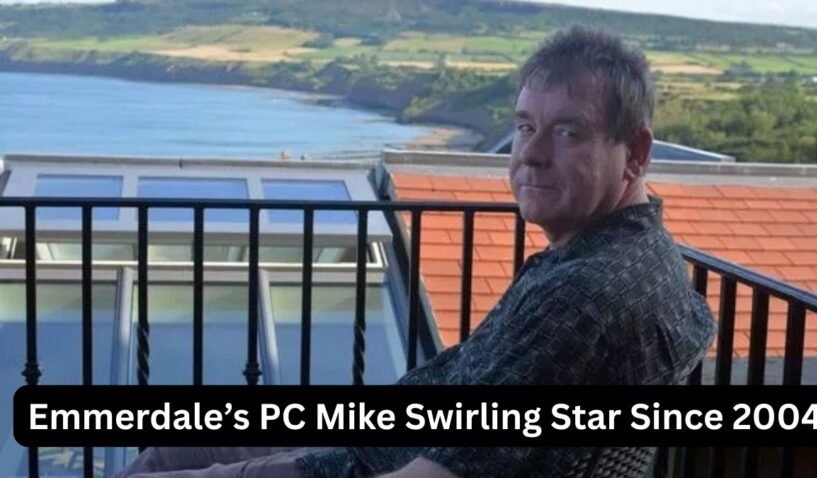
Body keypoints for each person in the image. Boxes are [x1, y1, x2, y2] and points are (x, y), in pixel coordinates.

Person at [115, 26, 716, 478]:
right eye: (525, 127)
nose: (531, 155)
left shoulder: (582, 297)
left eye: (568, 131)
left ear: (636, 153)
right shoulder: (643, 257)